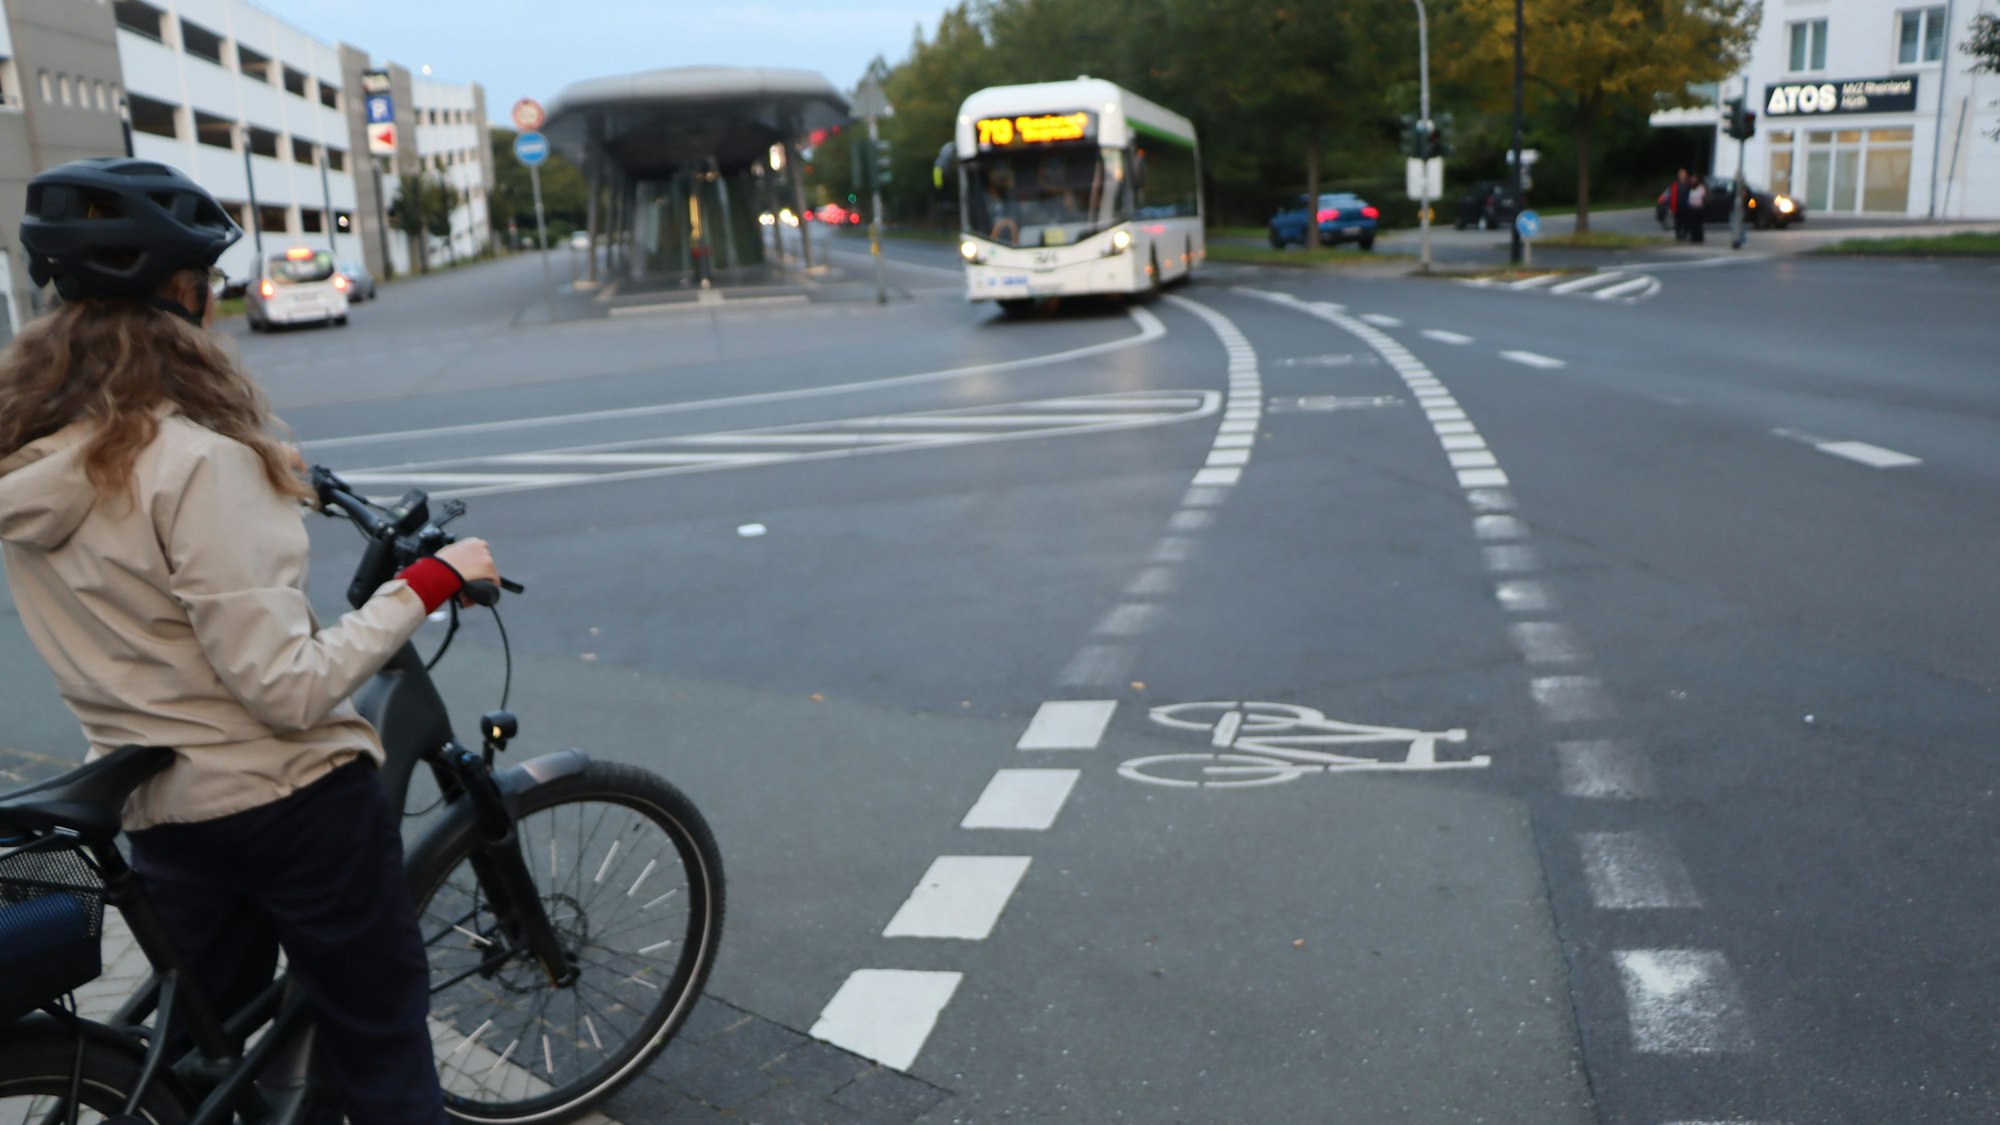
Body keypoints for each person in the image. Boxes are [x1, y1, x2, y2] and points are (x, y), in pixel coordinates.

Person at [0, 158, 496, 1124]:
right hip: (286, 807)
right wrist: (425, 586)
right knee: (383, 1038)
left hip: (154, 803)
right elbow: (285, 688)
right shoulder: (197, 464)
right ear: (183, 298)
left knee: (203, 1051)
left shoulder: (30, 466)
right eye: (210, 286)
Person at [1669, 168, 1691, 241]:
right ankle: (1678, 235)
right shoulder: (1675, 184)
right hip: (1677, 206)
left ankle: (1684, 234)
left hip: (1686, 206)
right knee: (1677, 222)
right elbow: (1672, 196)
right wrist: (1671, 207)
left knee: (1685, 222)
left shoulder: (1688, 184)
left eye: (1683, 174)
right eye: (1681, 174)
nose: (1682, 176)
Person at [1687, 174, 1708, 243]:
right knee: (1693, 224)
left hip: (1699, 208)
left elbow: (1703, 197)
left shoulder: (1701, 188)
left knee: (1698, 224)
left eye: (1694, 180)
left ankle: (1698, 238)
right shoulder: (1691, 188)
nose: (1693, 181)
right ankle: (1693, 237)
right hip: (1692, 208)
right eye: (1692, 180)